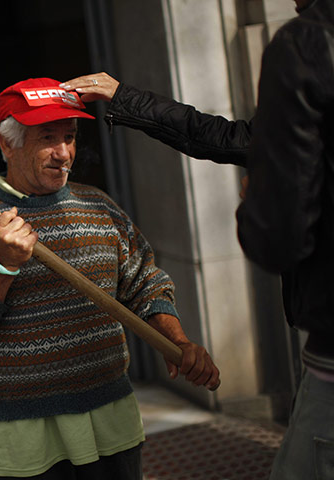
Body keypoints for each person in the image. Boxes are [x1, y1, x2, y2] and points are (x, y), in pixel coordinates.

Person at [61, 1, 334, 478]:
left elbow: (274, 238)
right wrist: (125, 97)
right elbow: (231, 138)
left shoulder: (308, 43)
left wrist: (256, 202)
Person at [0, 77, 220, 480]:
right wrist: (3, 266)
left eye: (70, 136)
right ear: (6, 143)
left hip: (111, 414)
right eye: (47, 138)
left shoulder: (98, 207)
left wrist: (178, 341)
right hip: (26, 432)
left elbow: (145, 283)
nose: (64, 153)